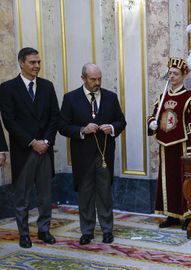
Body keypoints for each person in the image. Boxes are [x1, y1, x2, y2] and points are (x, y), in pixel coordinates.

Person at [59, 63, 126, 245]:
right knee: (85, 194)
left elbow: (121, 121)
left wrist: (111, 127)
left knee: (105, 194)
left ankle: (107, 230)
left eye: (99, 79)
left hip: (104, 156)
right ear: (83, 79)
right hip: (82, 157)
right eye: (93, 79)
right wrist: (82, 129)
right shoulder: (71, 98)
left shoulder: (110, 97)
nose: (97, 83)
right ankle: (87, 231)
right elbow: (62, 126)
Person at [0, 47, 60, 248]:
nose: (37, 66)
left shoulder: (47, 86)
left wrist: (46, 142)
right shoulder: (7, 88)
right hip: (24, 151)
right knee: (22, 197)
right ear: (21, 63)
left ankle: (44, 231)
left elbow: (55, 117)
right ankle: (24, 234)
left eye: (38, 62)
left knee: (45, 196)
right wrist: (32, 142)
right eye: (32, 62)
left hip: (45, 149)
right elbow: (9, 121)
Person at [147, 57, 191, 229]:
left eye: (175, 74)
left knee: (184, 181)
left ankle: (187, 215)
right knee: (167, 181)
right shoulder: (161, 97)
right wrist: (151, 123)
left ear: (184, 75)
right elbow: (153, 115)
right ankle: (171, 215)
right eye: (170, 73)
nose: (172, 76)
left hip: (183, 147)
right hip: (165, 146)